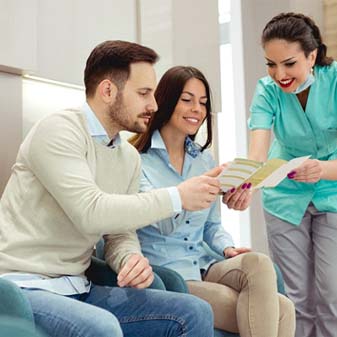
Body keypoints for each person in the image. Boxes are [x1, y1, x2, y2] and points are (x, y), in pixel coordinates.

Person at [0, 40, 221, 337]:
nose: (154, 105)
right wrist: (177, 196)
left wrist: (129, 258)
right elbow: (91, 212)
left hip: (79, 286)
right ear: (107, 91)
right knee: (102, 327)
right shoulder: (58, 131)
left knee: (193, 311)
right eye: (143, 93)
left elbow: (119, 232)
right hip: (24, 287)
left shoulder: (127, 156)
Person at [119, 65, 295, 337]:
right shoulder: (136, 161)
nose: (197, 110)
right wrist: (187, 194)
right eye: (187, 100)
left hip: (204, 264)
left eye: (202, 103)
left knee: (258, 264)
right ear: (166, 101)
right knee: (281, 309)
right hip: (170, 275)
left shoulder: (204, 160)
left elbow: (212, 226)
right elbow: (160, 223)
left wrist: (227, 249)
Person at [227, 12, 337, 337]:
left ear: (312, 55)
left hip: (331, 191)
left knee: (332, 296)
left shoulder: (334, 82)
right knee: (295, 298)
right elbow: (258, 152)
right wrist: (246, 185)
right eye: (271, 64)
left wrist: (323, 170)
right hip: (285, 197)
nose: (279, 74)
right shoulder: (267, 91)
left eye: (289, 63)